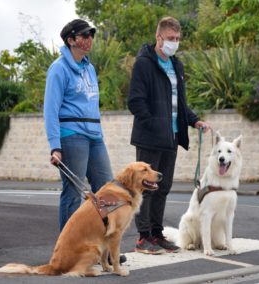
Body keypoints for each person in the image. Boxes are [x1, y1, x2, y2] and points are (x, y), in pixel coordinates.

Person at [43, 19, 126, 264]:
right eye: (84, 35)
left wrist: (99, 134)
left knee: (108, 192)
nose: (89, 39)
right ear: (71, 40)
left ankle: (108, 251)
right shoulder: (58, 69)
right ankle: (68, 251)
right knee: (73, 193)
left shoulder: (90, 69)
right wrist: (55, 145)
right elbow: (50, 110)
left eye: (91, 34)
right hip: (72, 136)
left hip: (94, 136)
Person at [128, 16, 211, 254]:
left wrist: (194, 120)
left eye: (177, 39)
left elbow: (179, 103)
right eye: (170, 38)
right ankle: (143, 237)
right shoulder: (144, 63)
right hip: (151, 137)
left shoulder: (176, 65)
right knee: (145, 187)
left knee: (162, 187)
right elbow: (135, 101)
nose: (174, 43)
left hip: (171, 137)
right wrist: (154, 124)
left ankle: (156, 233)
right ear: (158, 37)